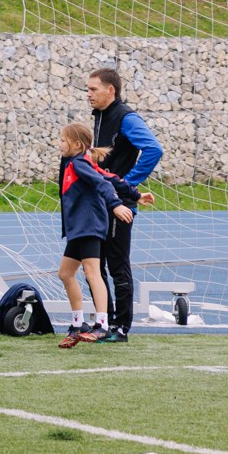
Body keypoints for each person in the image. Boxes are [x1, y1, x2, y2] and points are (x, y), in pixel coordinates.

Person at [86, 68, 163, 342]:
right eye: (88, 89)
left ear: (111, 90)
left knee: (117, 265)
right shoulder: (100, 116)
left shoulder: (126, 117)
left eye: (94, 89)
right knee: (94, 264)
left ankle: (121, 326)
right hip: (100, 202)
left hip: (120, 204)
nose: (88, 94)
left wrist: (127, 184)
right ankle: (103, 321)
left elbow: (154, 150)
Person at [55, 123, 137, 347]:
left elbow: (102, 184)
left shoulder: (79, 163)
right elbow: (110, 177)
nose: (59, 144)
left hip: (89, 226)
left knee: (92, 273)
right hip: (78, 228)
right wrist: (136, 194)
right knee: (65, 273)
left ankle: (101, 324)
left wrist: (116, 205)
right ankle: (78, 324)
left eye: (63, 140)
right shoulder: (77, 162)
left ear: (77, 144)